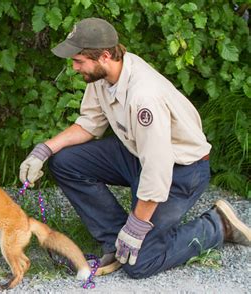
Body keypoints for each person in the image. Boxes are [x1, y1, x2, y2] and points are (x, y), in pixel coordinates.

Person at [19, 17, 251, 278]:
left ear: (104, 56)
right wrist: (44, 150)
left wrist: (138, 225)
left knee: (140, 264)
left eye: (78, 61)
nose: (73, 67)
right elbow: (89, 123)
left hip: (181, 171)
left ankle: (217, 225)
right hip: (136, 154)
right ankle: (116, 241)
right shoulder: (104, 75)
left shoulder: (144, 98)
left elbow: (157, 169)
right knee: (64, 162)